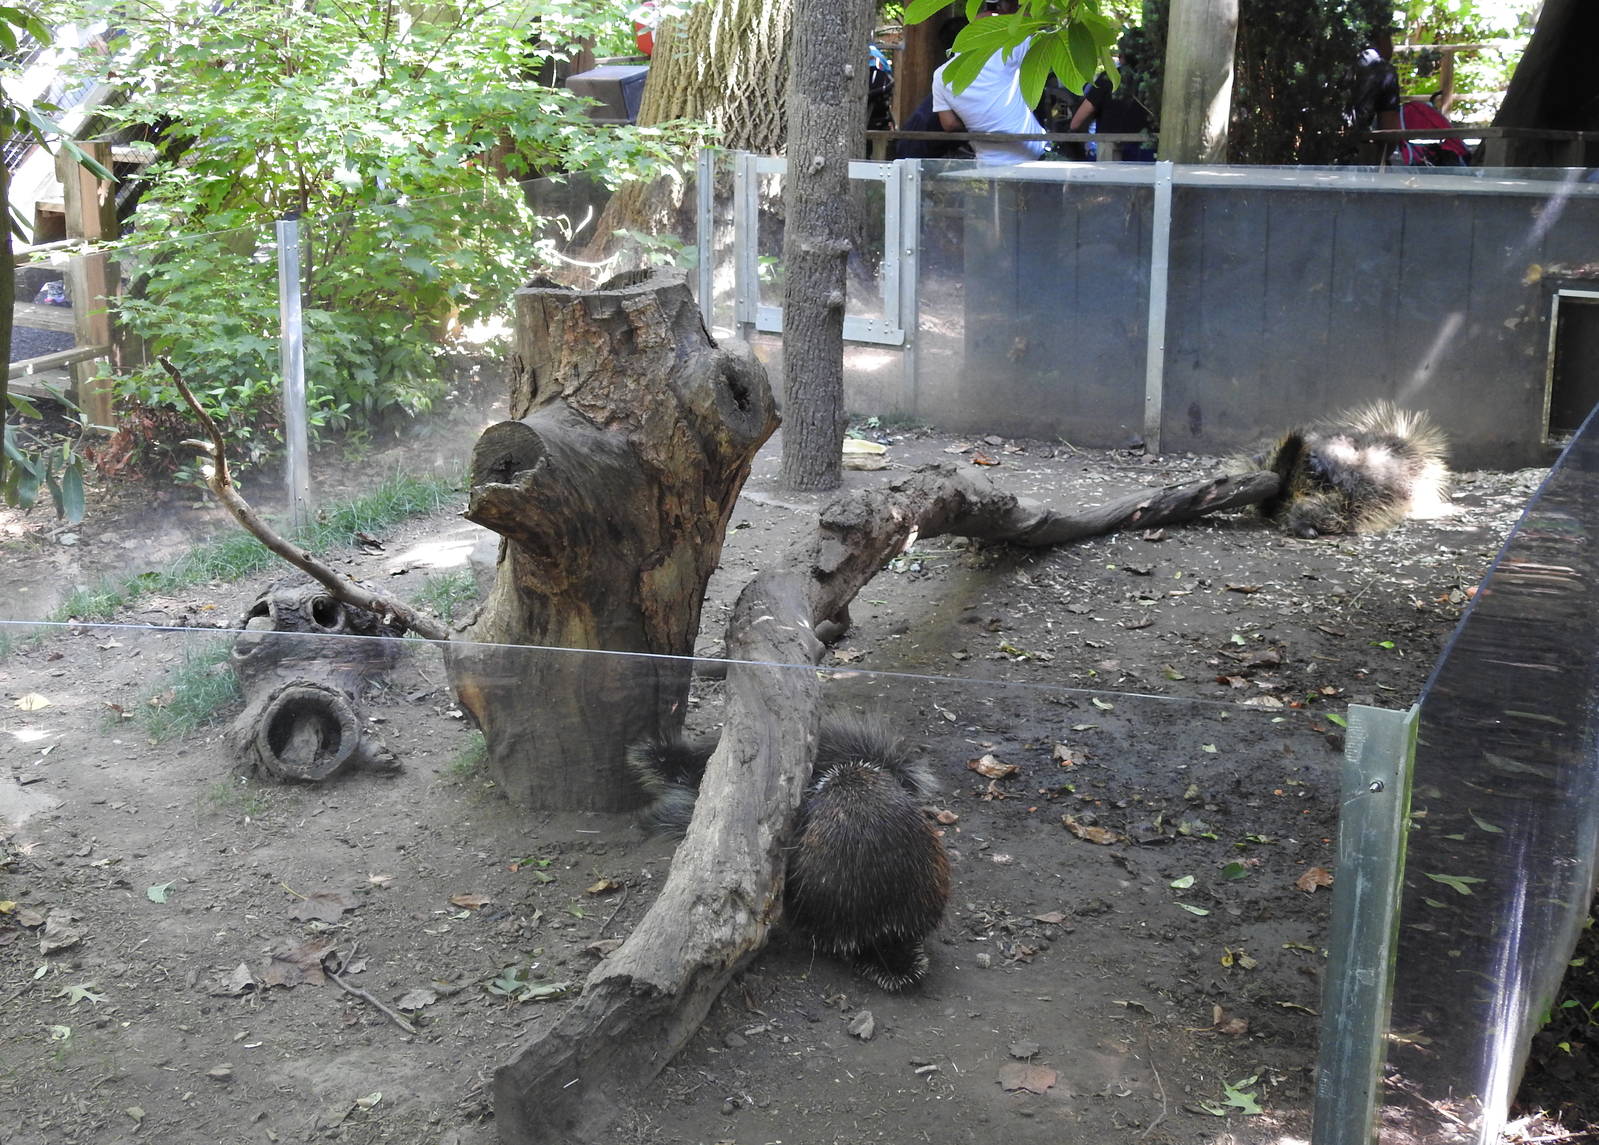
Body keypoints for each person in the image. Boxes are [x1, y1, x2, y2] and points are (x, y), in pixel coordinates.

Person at [929, 0, 1045, 166]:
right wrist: (1005, 17)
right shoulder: (1001, 54)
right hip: (1031, 157)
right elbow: (1035, 24)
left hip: (987, 163)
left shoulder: (941, 76)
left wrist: (979, 120)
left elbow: (949, 124)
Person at [1067, 65, 1155, 162]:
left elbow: (1076, 122)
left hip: (1109, 150)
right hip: (1147, 149)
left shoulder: (1109, 77)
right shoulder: (1155, 78)